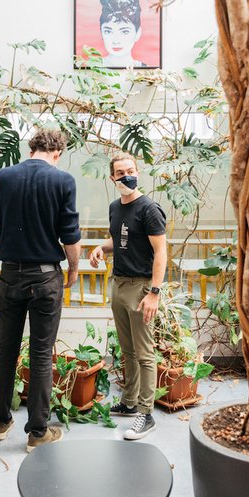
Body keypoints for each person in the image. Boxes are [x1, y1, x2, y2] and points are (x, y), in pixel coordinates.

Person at [0, 128, 82, 452]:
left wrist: (13, 256)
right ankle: (37, 432)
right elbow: (70, 236)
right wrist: (72, 269)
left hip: (10, 275)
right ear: (57, 152)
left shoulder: (3, 177)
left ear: (32, 149)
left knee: (6, 350)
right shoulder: (62, 180)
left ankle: (0, 421)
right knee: (41, 354)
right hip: (45, 279)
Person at [88, 152, 167, 440]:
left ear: (138, 172)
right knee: (128, 350)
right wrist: (102, 248)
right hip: (119, 284)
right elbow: (121, 237)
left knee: (145, 354)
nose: (126, 176)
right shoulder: (115, 207)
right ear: (113, 178)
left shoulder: (149, 208)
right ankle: (130, 403)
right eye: (120, 173)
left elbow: (161, 252)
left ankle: (146, 415)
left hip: (141, 287)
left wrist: (154, 293)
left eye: (130, 171)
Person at [99, 0, 148, 68]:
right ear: (101, 33)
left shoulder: (148, 72)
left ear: (138, 33)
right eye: (108, 31)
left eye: (125, 31)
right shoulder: (91, 69)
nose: (116, 41)